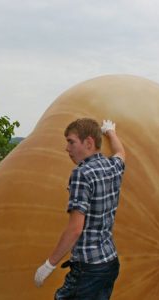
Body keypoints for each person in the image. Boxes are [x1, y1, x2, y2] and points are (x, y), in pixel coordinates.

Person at [34, 118, 125, 299]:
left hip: (88, 268)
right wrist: (111, 132)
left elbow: (75, 229)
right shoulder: (112, 166)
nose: (67, 148)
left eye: (71, 142)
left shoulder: (81, 174)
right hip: (109, 263)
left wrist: (49, 264)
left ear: (89, 142)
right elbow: (121, 152)